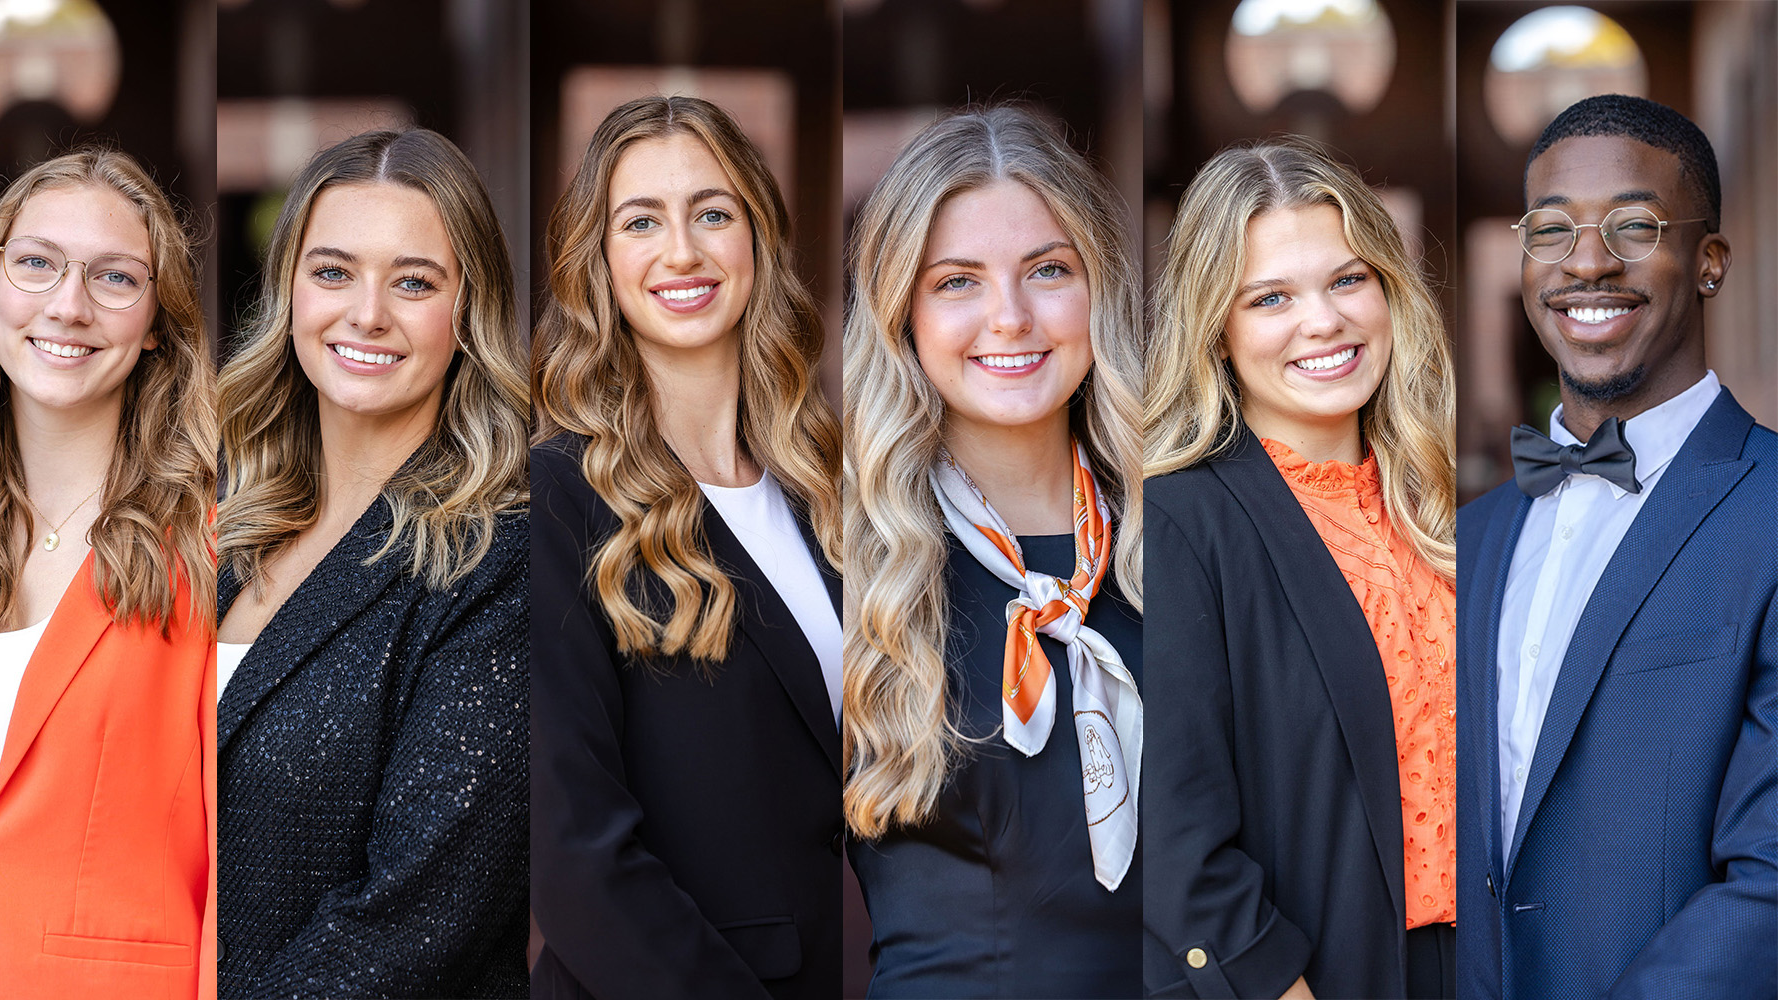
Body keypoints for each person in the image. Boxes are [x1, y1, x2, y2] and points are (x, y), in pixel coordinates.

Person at [1456, 94, 1777, 1000]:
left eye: (1634, 225)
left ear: (1708, 262)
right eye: (1550, 231)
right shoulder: (1473, 539)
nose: (1587, 262)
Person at [528, 94, 844, 1000]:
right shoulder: (555, 500)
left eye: (713, 213)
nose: (682, 252)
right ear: (601, 261)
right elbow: (573, 855)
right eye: (641, 221)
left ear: (758, 239)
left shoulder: (824, 488)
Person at [1139, 138, 1458, 999]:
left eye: (1348, 280)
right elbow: (1176, 841)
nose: (1323, 321)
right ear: (1218, 328)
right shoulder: (1179, 520)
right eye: (1271, 296)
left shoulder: (1448, 503)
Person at [215, 127, 530, 998]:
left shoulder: (502, 560)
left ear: (468, 309)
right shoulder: (225, 527)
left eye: (414, 282)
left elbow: (416, 918)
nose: (367, 314)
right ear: (288, 292)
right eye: (333, 271)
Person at [838, 105, 1144, 998]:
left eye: (1049, 270)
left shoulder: (1181, 540)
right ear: (902, 309)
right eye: (957, 281)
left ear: (1100, 289)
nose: (1010, 317)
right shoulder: (843, 556)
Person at [0, 147, 217, 999]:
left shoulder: (212, 551)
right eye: (37, 264)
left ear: (157, 319)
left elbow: (236, 859)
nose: (68, 306)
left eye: (115, 278)